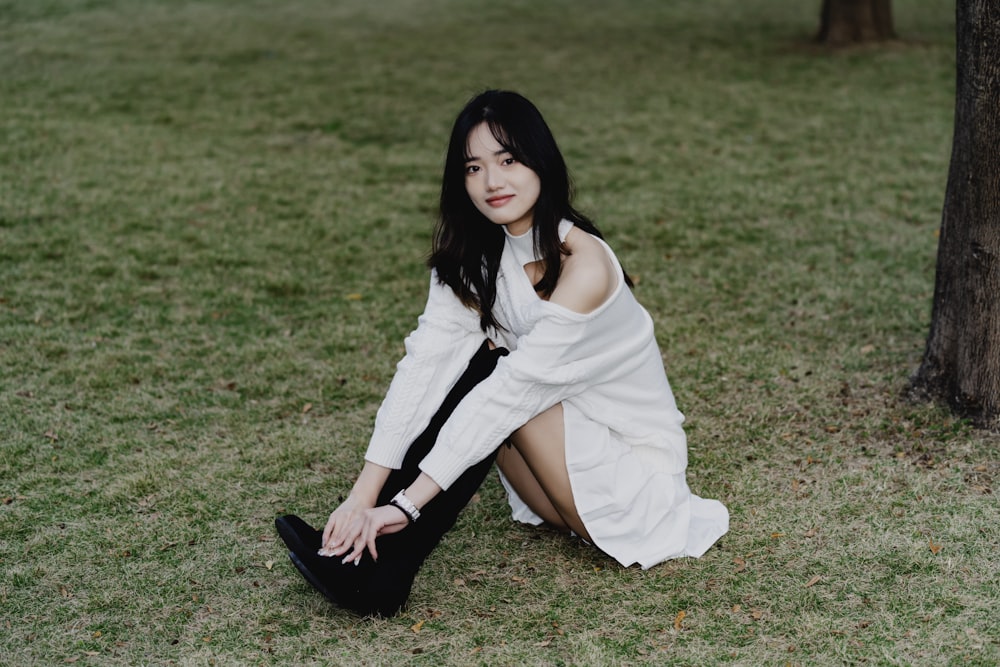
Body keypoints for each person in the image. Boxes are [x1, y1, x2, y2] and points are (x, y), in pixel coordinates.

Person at [275, 90, 729, 617]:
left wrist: (404, 503)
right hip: (555, 479)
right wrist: (362, 494)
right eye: (474, 166)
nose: (493, 182)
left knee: (495, 369)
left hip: (631, 490)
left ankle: (387, 563)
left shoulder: (583, 265)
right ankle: (371, 552)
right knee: (462, 365)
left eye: (508, 159)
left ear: (541, 161)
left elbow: (510, 395)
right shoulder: (476, 257)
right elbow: (424, 367)